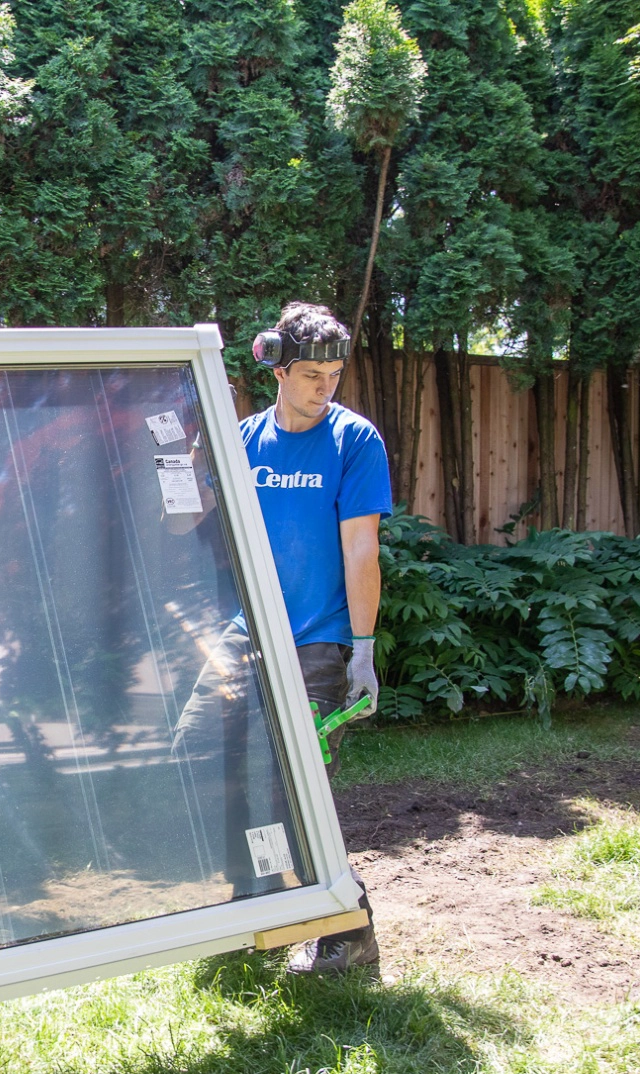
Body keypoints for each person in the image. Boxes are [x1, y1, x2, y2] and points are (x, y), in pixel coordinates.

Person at [174, 301, 392, 975]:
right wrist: (186, 463)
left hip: (318, 641)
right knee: (203, 752)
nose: (325, 387)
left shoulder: (355, 442)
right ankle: (257, 905)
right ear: (277, 369)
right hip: (246, 633)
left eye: (333, 373)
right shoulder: (240, 442)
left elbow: (361, 548)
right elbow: (184, 524)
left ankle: (348, 933)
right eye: (311, 375)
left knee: (298, 789)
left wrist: (363, 647)